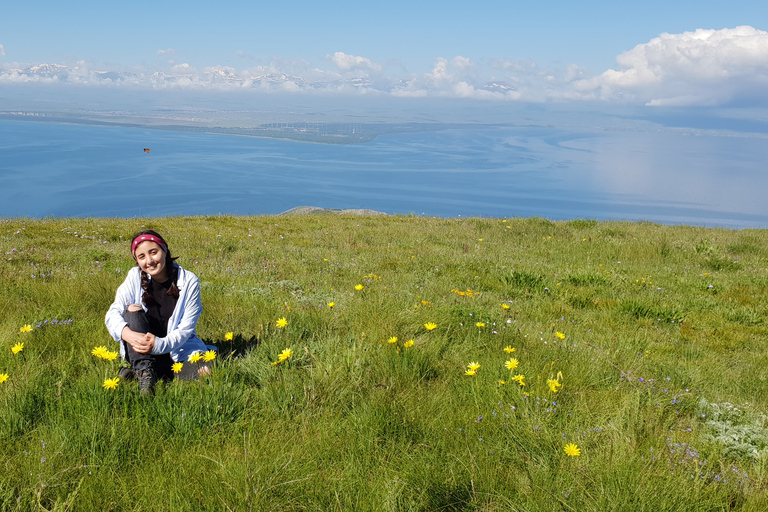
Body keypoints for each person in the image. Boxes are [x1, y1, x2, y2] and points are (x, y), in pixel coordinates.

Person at [105, 229, 214, 394]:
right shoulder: (134, 276)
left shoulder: (188, 280)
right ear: (137, 261)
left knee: (204, 373)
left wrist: (158, 345)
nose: (149, 261)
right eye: (141, 257)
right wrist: (128, 334)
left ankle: (140, 374)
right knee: (131, 310)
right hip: (142, 348)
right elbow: (112, 313)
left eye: (153, 252)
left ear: (165, 250)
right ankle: (146, 373)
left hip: (176, 346)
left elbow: (185, 329)